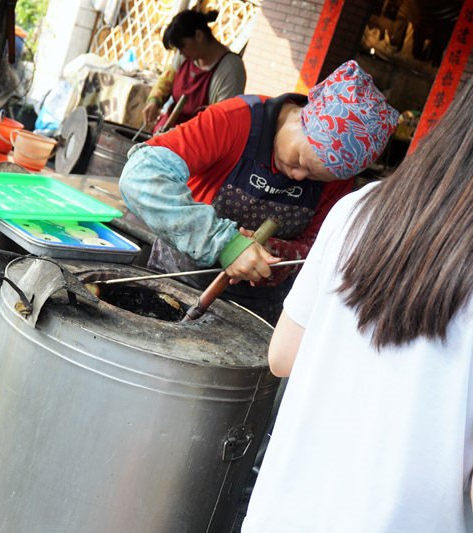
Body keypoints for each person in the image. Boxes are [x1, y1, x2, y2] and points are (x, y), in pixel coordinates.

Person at [242, 76, 473, 533]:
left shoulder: (358, 207)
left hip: (285, 515)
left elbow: (283, 354)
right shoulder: (242, 120)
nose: (302, 176)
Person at [118, 60, 398, 324]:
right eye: (301, 160)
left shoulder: (336, 176)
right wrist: (223, 243)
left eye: (314, 176)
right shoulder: (235, 120)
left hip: (254, 312)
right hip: (177, 281)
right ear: (301, 117)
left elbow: (317, 246)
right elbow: (140, 176)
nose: (299, 177)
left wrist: (274, 254)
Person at [142, 9, 246, 133]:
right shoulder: (185, 56)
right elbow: (166, 80)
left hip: (195, 141)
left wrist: (181, 134)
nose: (180, 53)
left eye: (182, 46)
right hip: (166, 132)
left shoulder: (231, 69)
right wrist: (154, 101)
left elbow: (221, 121)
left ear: (199, 36)